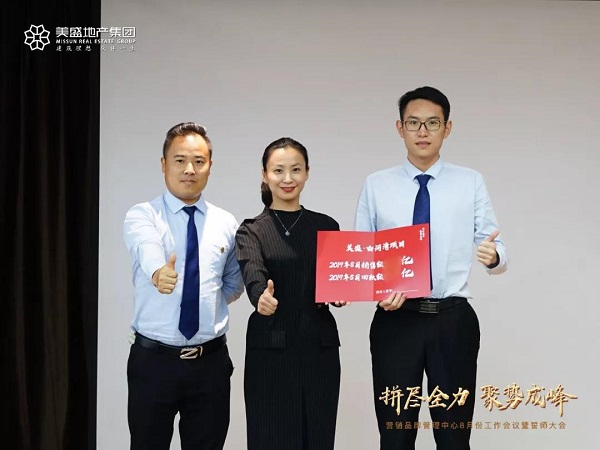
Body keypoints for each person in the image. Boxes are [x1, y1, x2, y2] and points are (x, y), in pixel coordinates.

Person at [354, 86, 508, 450]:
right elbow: (362, 254)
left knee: (454, 436)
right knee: (395, 435)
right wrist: (378, 289)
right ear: (400, 128)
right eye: (413, 123)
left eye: (432, 123)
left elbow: (496, 244)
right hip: (396, 321)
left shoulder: (470, 182)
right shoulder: (377, 185)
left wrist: (494, 256)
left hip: (452, 321)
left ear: (447, 128)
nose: (422, 132)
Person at [123, 122, 244, 450]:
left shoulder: (226, 223)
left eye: (198, 161)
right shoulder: (143, 215)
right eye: (180, 160)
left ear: (209, 166)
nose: (190, 169)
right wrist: (158, 273)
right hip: (153, 362)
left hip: (210, 364)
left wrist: (207, 304)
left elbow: (232, 282)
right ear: (164, 164)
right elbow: (147, 248)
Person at [235, 137, 346, 450]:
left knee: (318, 436)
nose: (288, 178)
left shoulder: (327, 226)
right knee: (270, 436)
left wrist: (339, 292)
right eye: (278, 170)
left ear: (307, 172)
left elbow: (336, 280)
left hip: (319, 345)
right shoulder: (251, 229)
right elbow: (252, 272)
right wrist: (261, 297)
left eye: (296, 169)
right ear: (264, 174)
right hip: (271, 345)